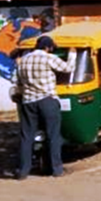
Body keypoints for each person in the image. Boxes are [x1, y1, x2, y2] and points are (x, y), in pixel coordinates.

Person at [10, 35, 72, 180]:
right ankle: (57, 169)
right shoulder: (48, 58)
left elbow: (17, 81)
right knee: (53, 135)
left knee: (26, 136)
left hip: (28, 102)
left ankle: (23, 171)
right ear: (48, 47)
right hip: (47, 100)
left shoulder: (23, 60)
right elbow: (68, 68)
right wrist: (72, 54)